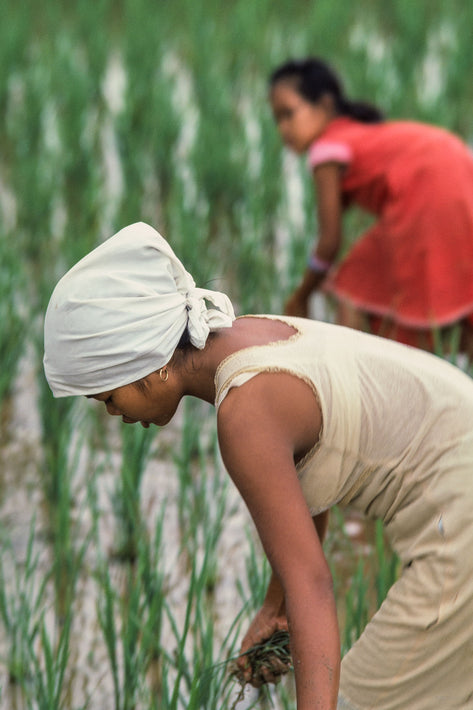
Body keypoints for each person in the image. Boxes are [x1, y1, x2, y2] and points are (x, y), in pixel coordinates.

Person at [43, 222, 473, 710]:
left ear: (145, 364)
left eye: (109, 397)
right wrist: (275, 606)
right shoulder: (252, 336)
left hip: (461, 524)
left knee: (359, 701)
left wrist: (295, 605)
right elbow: (311, 481)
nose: (114, 414)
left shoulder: (244, 413)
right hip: (461, 479)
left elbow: (312, 585)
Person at [269, 57, 473, 354]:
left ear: (325, 106)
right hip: (460, 171)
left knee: (354, 284)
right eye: (277, 119)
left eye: (289, 114)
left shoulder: (326, 150)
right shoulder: (354, 135)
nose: (283, 128)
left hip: (429, 189)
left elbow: (329, 243)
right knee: (453, 287)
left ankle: (345, 378)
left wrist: (301, 295)